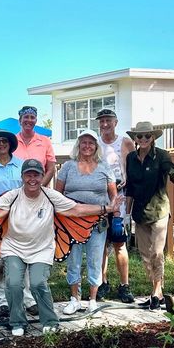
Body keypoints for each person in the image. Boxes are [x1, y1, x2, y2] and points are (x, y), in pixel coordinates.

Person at [0, 159, 113, 337]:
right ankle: (17, 321)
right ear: (22, 176)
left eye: (36, 174)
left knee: (38, 282)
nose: (32, 179)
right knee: (13, 283)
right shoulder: (13, 196)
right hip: (14, 247)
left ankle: (50, 321)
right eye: (28, 174)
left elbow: (77, 210)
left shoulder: (50, 196)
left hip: (42, 248)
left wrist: (107, 208)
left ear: (42, 176)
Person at [123, 121, 174, 310]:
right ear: (135, 138)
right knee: (144, 256)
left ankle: (155, 292)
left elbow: (171, 171)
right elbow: (130, 188)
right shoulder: (131, 159)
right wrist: (126, 214)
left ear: (153, 138)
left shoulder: (161, 156)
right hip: (139, 213)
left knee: (156, 254)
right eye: (139, 136)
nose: (143, 139)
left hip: (158, 210)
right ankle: (157, 292)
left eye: (147, 136)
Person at [55, 129, 116, 314]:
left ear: (96, 146)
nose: (87, 146)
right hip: (71, 223)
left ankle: (92, 299)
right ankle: (74, 299)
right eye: (84, 142)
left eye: (91, 143)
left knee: (95, 259)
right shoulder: (68, 166)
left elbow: (113, 195)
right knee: (73, 260)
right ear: (78, 145)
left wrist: (113, 210)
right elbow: (58, 194)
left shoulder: (104, 167)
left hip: (97, 222)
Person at [0, 129, 33, 320]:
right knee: (0, 261)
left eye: (4, 141)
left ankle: (28, 299)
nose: (1, 144)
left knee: (24, 257)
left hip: (21, 216)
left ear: (10, 143)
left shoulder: (20, 164)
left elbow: (28, 188)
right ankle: (2, 301)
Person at [95, 108, 135, 303]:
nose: (105, 124)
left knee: (119, 242)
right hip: (101, 198)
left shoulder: (125, 142)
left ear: (115, 122)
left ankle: (124, 285)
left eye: (108, 120)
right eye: (101, 121)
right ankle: (103, 282)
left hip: (119, 198)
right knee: (102, 243)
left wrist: (128, 180)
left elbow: (133, 166)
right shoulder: (95, 143)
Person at [13, 105, 56, 186]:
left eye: (32, 117)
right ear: (20, 120)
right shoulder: (12, 141)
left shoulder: (45, 141)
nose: (29, 120)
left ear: (36, 121)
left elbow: (51, 169)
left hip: (40, 190)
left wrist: (39, 187)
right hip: (15, 190)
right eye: (26, 117)